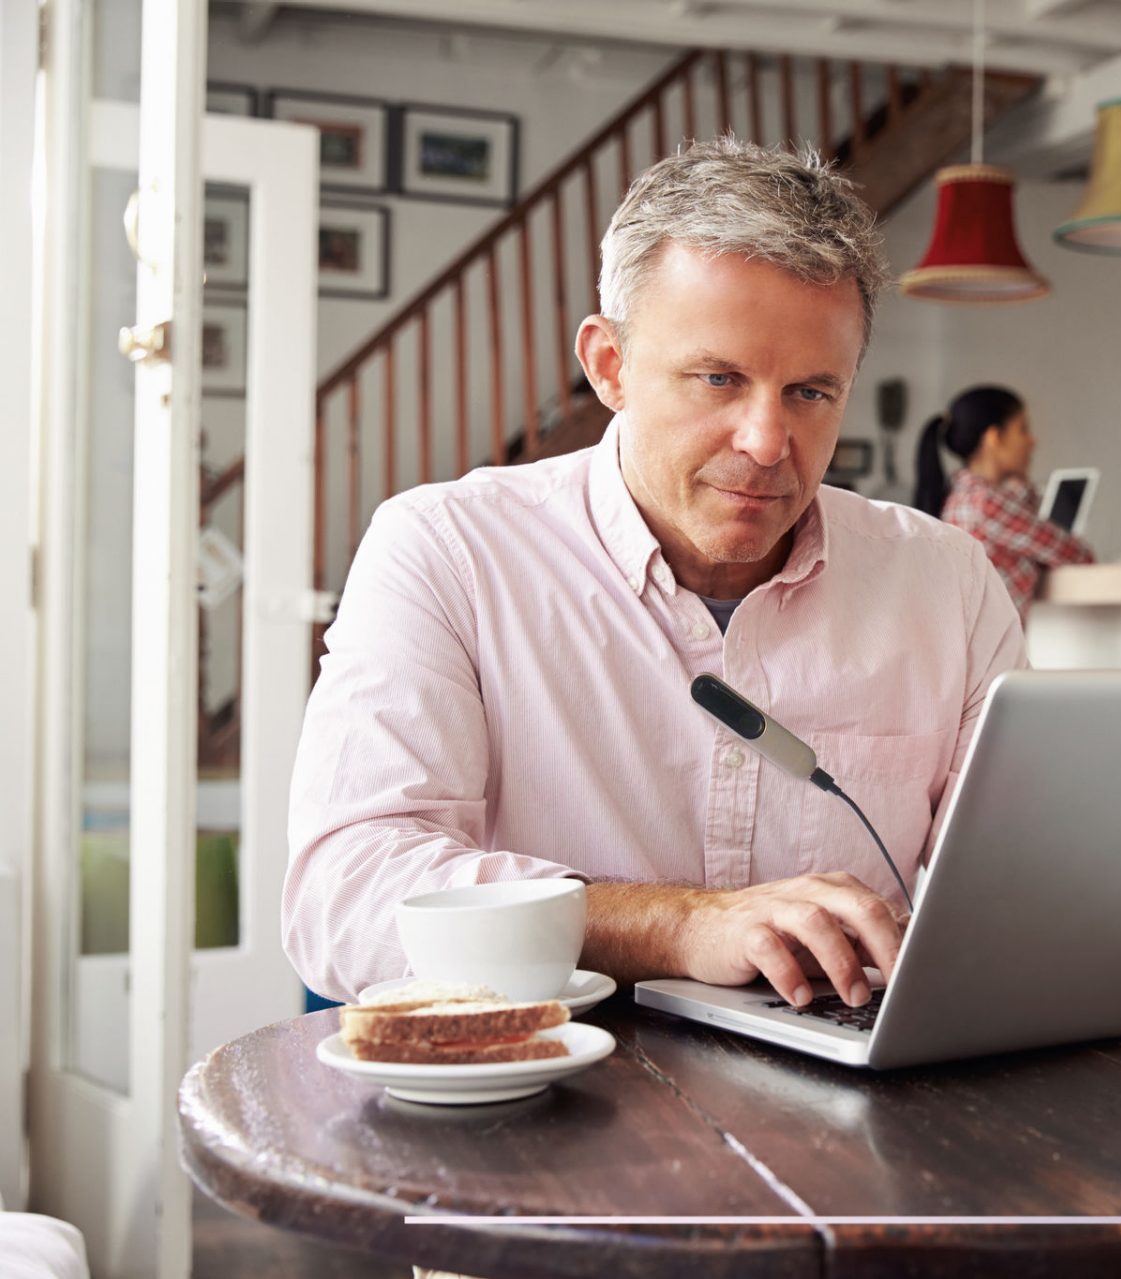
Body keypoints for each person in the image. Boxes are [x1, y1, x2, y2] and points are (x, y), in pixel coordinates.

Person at [283, 138, 1024, 1011]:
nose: (766, 442)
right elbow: (345, 900)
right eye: (719, 378)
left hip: (858, 1104)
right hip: (546, 1098)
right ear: (609, 366)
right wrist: (677, 924)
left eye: (811, 393)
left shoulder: (949, 582)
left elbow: (1024, 887)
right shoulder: (447, 551)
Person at [913, 386, 1095, 620]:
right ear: (994, 438)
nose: (1032, 441)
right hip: (987, 653)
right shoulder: (988, 503)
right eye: (1023, 429)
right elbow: (1078, 555)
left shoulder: (961, 494)